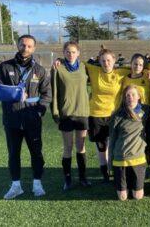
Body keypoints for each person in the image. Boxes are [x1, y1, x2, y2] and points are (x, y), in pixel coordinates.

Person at [0, 35, 51, 199]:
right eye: (22, 45)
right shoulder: (4, 67)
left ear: (34, 48)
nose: (25, 48)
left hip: (32, 119)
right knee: (13, 154)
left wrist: (39, 111)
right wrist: (16, 95)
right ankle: (16, 185)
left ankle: (37, 183)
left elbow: (47, 95)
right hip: (12, 119)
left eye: (29, 46)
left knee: (36, 153)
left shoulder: (39, 70)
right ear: (17, 45)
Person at [51, 41, 91, 190]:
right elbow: (54, 91)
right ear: (63, 52)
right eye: (67, 51)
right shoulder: (58, 67)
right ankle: (67, 180)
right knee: (68, 147)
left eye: (73, 52)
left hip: (82, 113)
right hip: (66, 114)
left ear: (78, 53)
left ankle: (83, 178)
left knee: (81, 146)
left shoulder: (83, 67)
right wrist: (55, 111)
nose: (71, 54)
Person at [85, 49, 130, 182]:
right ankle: (104, 173)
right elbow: (77, 62)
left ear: (114, 61)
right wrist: (60, 61)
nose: (106, 63)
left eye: (109, 60)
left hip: (113, 116)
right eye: (103, 60)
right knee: (101, 146)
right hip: (95, 115)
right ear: (99, 61)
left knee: (114, 145)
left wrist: (148, 71)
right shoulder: (93, 70)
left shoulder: (121, 73)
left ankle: (114, 171)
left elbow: (137, 68)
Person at [109, 85, 150, 200]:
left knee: (138, 196)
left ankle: (133, 184)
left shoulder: (146, 110)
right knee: (122, 197)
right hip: (120, 159)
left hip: (138, 158)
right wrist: (109, 163)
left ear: (138, 97)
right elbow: (112, 139)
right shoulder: (117, 115)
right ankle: (123, 185)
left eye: (133, 94)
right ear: (124, 98)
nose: (130, 97)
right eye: (127, 95)